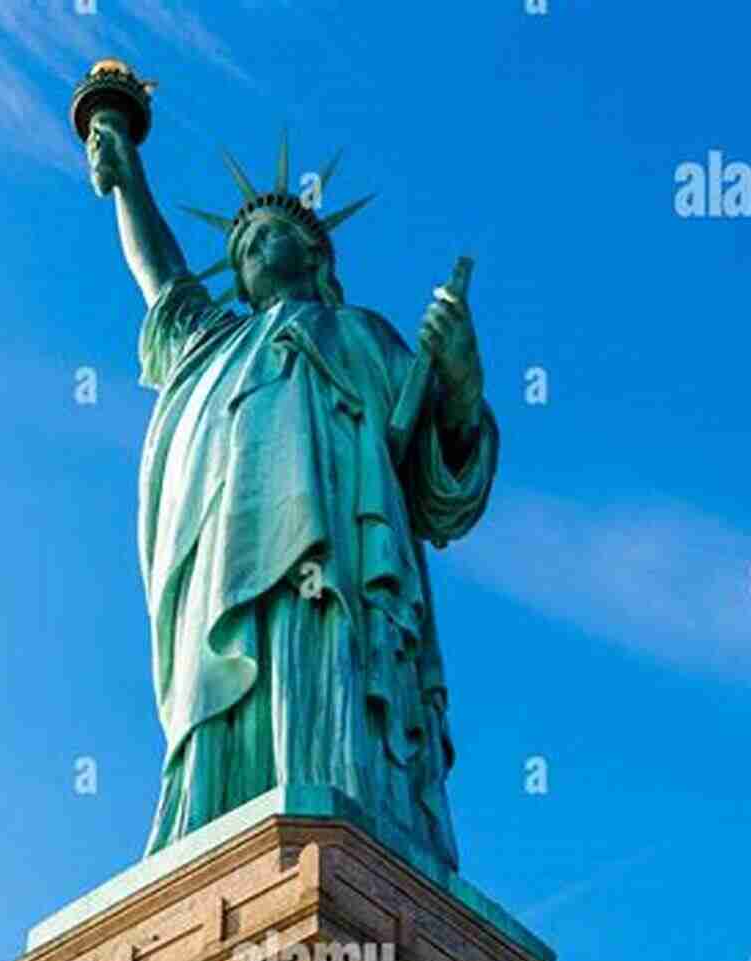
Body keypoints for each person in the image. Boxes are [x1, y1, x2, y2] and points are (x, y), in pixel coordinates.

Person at [88, 116, 499, 877]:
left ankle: (351, 799)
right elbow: (164, 281)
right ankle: (216, 822)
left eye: (263, 237)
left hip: (337, 574)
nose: (247, 256)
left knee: (327, 684)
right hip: (225, 576)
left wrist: (463, 383)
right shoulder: (213, 345)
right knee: (232, 696)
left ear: (314, 251)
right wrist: (128, 178)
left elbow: (440, 487)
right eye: (239, 252)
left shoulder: (363, 336)